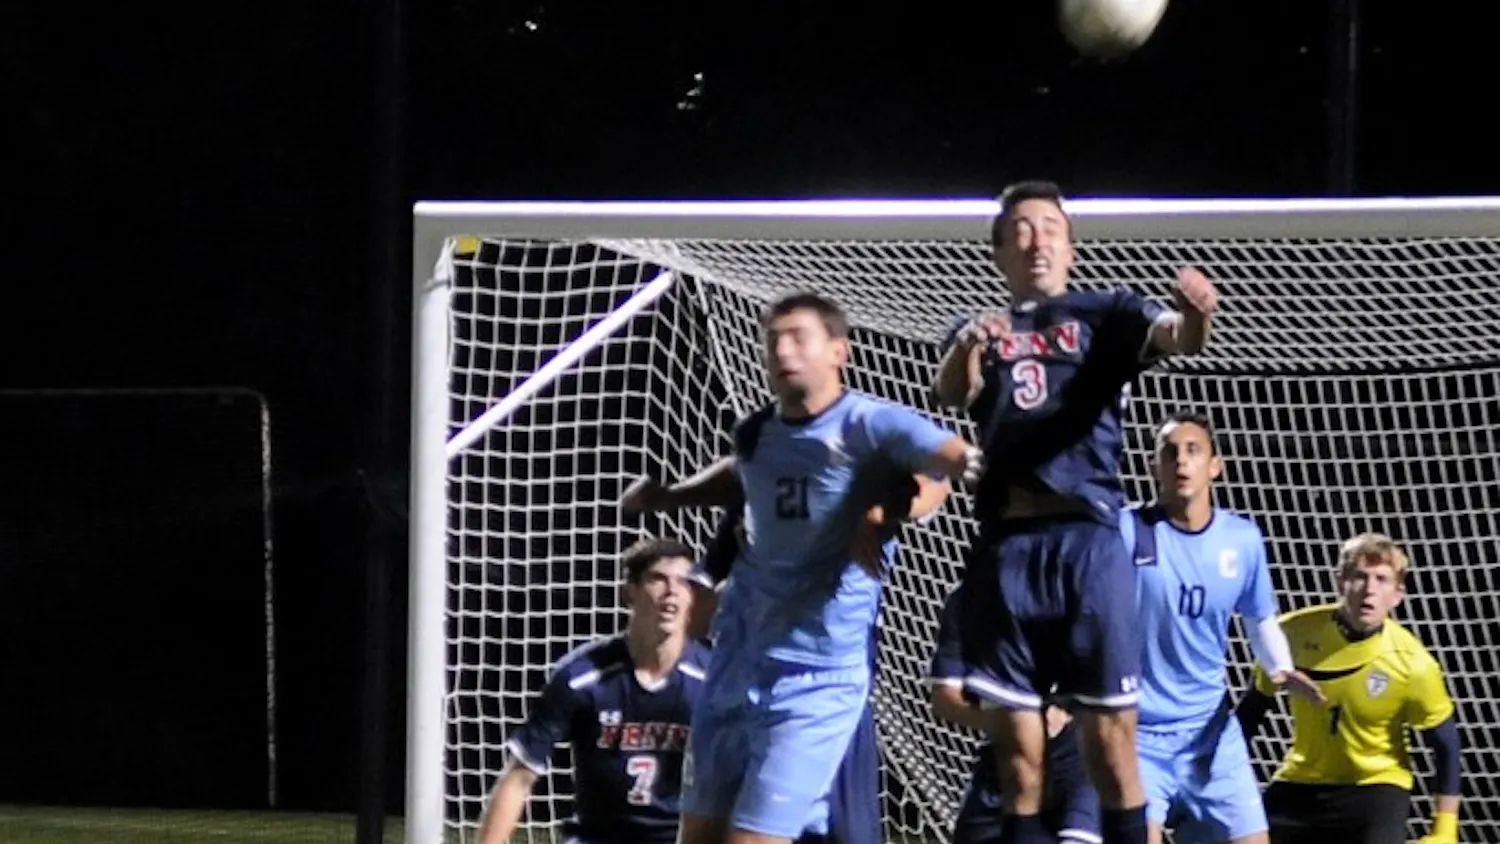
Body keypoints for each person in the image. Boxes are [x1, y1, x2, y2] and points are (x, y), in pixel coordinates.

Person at [623, 291, 979, 844]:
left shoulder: (871, 426)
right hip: (738, 663)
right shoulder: (755, 433)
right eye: (773, 339)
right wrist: (670, 497)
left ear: (840, 351)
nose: (782, 349)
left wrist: (884, 514)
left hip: (817, 679)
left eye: (798, 337)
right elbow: (742, 475)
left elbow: (945, 469)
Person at [929, 179, 1219, 844]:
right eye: (1022, 230)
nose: (1038, 239)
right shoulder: (976, 327)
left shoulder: (1105, 313)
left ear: (1072, 248)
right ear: (1000, 252)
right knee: (1019, 762)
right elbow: (952, 390)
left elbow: (1179, 338)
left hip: (1087, 543)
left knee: (1113, 747)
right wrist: (970, 344)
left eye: (1050, 228)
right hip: (1005, 549)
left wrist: (1196, 313)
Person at [1120, 411, 1322, 844]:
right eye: (1169, 452)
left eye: (1193, 451)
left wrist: (1281, 668)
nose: (1181, 461)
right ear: (1154, 467)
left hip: (1210, 733)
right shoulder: (1124, 530)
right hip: (1138, 734)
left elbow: (1259, 615)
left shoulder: (1243, 539)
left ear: (1215, 465)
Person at [477, 538, 707, 844]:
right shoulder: (581, 677)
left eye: (683, 582)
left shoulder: (713, 679)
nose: (671, 592)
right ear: (630, 592)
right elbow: (520, 777)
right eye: (658, 579)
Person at [1236, 533, 1462, 844]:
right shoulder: (1291, 635)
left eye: (1382, 580)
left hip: (1376, 785)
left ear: (1398, 595)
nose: (1370, 590)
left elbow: (1446, 743)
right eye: (1360, 577)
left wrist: (1445, 827)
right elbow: (1250, 713)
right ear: (1341, 583)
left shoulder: (1413, 663)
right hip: (1301, 780)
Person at [690, 510, 882, 844]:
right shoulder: (754, 497)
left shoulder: (857, 500)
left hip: (823, 698)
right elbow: (698, 614)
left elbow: (926, 486)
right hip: (743, 694)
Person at [928, 585, 1100, 844]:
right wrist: (1007, 721)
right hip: (1005, 761)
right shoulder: (968, 599)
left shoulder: (1080, 592)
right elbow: (944, 698)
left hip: (1073, 756)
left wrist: (1065, 708)